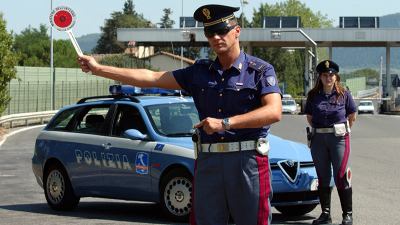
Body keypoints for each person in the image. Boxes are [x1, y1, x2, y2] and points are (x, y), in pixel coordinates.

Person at [78, 4, 282, 225]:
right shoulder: (199, 72)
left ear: (237, 30)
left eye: (222, 30)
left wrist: (225, 123)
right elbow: (151, 77)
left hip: (247, 160)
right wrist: (99, 69)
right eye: (209, 33)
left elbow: (273, 111)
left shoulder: (260, 70)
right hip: (209, 160)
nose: (216, 37)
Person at [305, 60, 356, 225]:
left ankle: (347, 214)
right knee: (323, 177)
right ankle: (325, 214)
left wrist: (342, 129)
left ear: (336, 77)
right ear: (319, 77)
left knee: (341, 175)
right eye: (325, 75)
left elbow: (352, 115)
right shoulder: (313, 95)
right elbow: (310, 117)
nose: (328, 78)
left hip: (339, 138)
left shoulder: (344, 94)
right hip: (319, 139)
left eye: (331, 75)